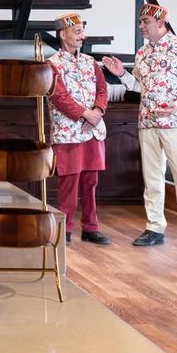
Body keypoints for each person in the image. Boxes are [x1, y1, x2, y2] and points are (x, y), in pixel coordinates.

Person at [101, 3, 177, 252]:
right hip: (147, 122)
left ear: (161, 23)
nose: (141, 27)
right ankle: (155, 226)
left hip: (175, 123)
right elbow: (138, 86)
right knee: (152, 177)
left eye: (145, 22)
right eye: (140, 22)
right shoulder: (142, 53)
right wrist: (121, 74)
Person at [46, 13, 112, 246]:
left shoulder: (90, 62)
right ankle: (65, 228)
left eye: (82, 31)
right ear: (63, 34)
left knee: (90, 181)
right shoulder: (52, 64)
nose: (82, 36)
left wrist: (98, 111)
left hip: (93, 131)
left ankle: (91, 227)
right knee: (69, 182)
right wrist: (85, 114)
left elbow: (102, 90)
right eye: (77, 31)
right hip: (68, 132)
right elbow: (58, 96)